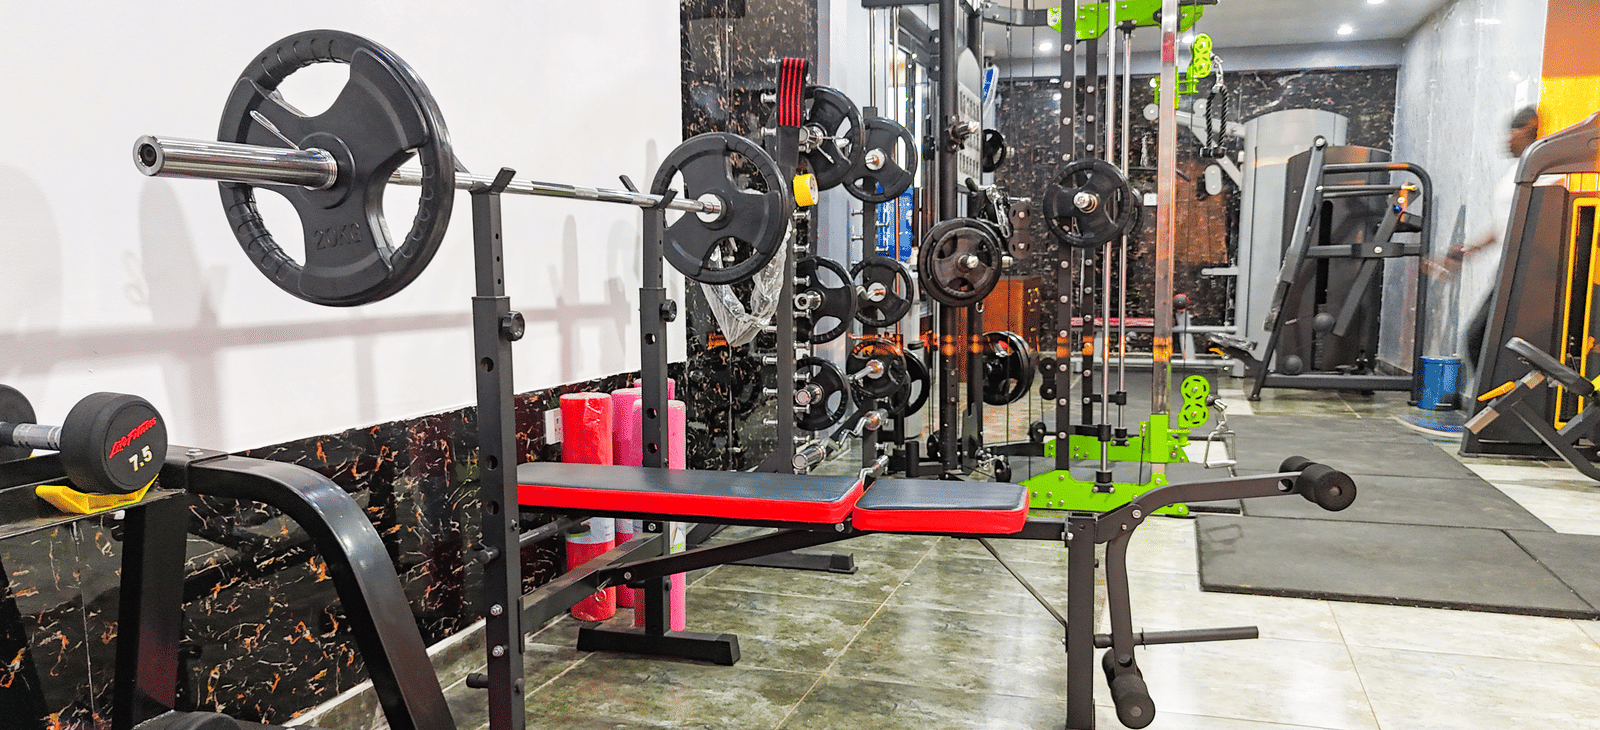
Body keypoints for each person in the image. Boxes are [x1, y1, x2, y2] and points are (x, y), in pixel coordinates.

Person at [1449, 107, 1541, 371]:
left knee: (1478, 340)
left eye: (1511, 133)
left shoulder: (1544, 171)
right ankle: (1492, 406)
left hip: (1527, 272)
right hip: (1508, 269)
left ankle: (1493, 407)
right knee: (1481, 341)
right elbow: (1505, 223)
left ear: (1526, 130)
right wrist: (1471, 248)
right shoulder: (1518, 170)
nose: (1507, 140)